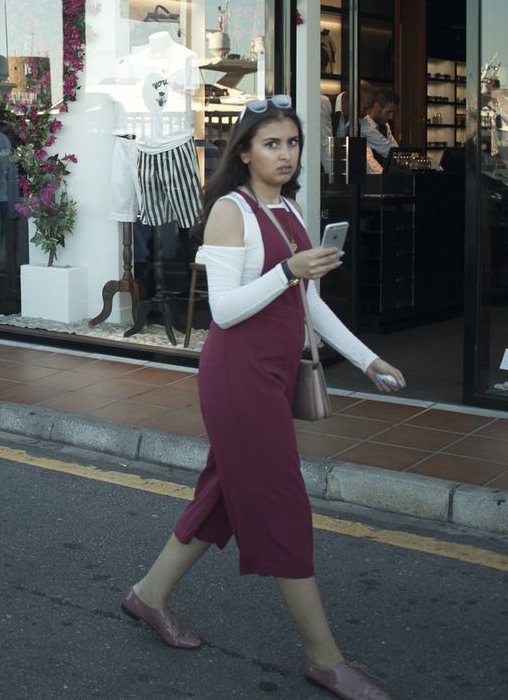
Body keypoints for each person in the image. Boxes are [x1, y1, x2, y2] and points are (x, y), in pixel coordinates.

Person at [121, 96, 406, 700]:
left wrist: (367, 359)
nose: (284, 154)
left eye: (292, 143)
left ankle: (147, 596)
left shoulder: (290, 210)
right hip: (237, 378)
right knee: (282, 504)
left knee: (226, 494)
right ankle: (325, 659)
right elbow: (223, 311)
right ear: (245, 151)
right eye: (271, 144)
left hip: (271, 377)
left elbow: (312, 305)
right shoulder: (231, 211)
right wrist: (287, 272)